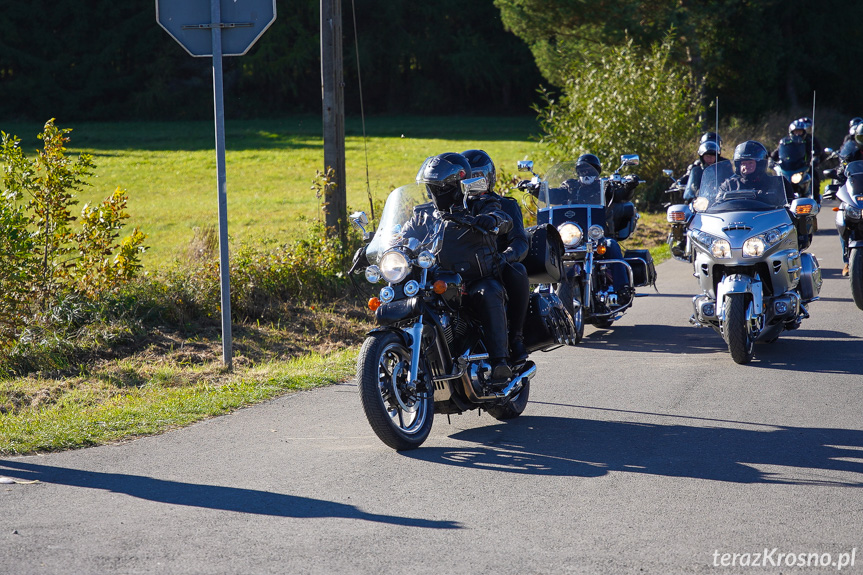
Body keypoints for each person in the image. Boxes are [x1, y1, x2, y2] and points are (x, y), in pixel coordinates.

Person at [409, 152, 515, 384]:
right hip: (437, 277)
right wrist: (383, 246)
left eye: (442, 187)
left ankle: (500, 362)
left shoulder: (480, 204)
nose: (436, 193)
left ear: (459, 186)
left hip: (474, 276)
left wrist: (493, 220)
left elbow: (502, 216)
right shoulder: (422, 214)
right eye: (432, 187)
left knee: (488, 292)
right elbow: (402, 234)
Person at [461, 149, 530, 364]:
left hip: (493, 267)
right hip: (458, 268)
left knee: (518, 271)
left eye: (478, 177)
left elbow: (519, 240)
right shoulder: (452, 208)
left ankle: (516, 337)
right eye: (468, 177)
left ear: (489, 178)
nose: (474, 182)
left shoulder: (505, 205)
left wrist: (506, 257)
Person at [720, 140, 794, 204]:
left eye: (750, 163)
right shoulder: (729, 185)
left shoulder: (778, 183)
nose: (746, 167)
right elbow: (716, 207)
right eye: (743, 163)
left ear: (760, 164)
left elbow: (791, 209)